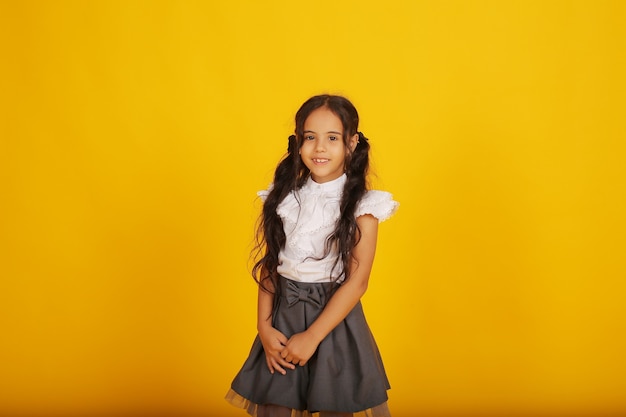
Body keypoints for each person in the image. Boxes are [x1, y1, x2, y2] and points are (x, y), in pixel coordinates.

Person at [225, 94, 399, 417]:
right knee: (276, 402)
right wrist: (264, 327)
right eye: (310, 137)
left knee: (335, 402)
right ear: (298, 143)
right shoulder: (285, 199)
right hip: (284, 317)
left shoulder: (364, 206)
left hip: (334, 322)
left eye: (332, 138)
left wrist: (312, 336)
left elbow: (357, 282)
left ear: (351, 143)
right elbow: (271, 268)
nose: (319, 148)